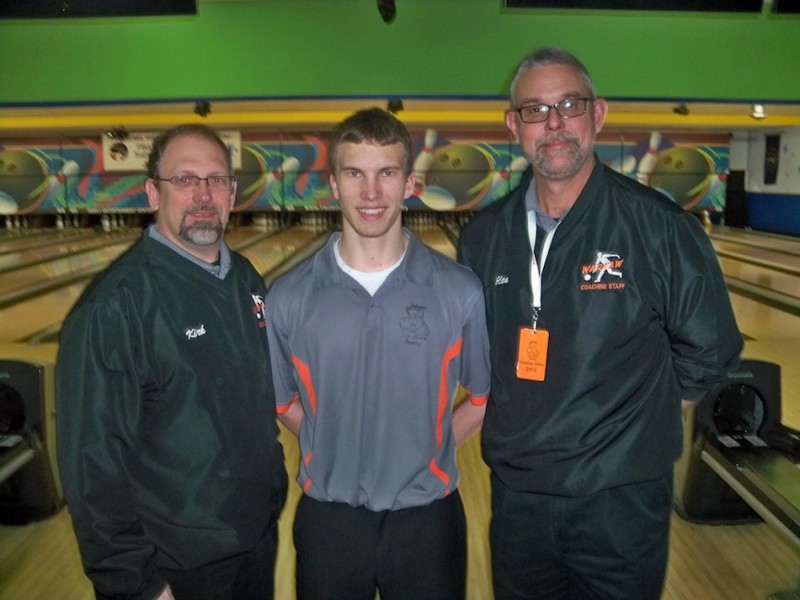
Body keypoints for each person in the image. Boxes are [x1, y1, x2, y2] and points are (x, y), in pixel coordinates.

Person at [458, 47, 743, 600]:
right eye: (537, 110)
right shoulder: (484, 237)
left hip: (622, 501)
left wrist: (635, 424)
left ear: (599, 114)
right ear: (514, 126)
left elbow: (711, 348)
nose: (556, 123)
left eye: (570, 104)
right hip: (520, 498)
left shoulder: (659, 228)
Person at [265, 108, 491, 600]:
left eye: (386, 173)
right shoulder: (288, 297)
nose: (371, 193)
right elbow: (283, 403)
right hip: (330, 522)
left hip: (428, 521)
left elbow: (480, 398)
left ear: (409, 182)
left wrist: (426, 449)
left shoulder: (459, 290)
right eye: (355, 174)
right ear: (333, 183)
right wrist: (334, 441)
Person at [56, 124, 288, 600]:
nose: (203, 194)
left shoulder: (247, 279)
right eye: (184, 180)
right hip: (174, 570)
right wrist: (136, 583)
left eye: (216, 179)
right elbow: (93, 462)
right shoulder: (115, 307)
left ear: (232, 192)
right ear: (151, 193)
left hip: (255, 544)